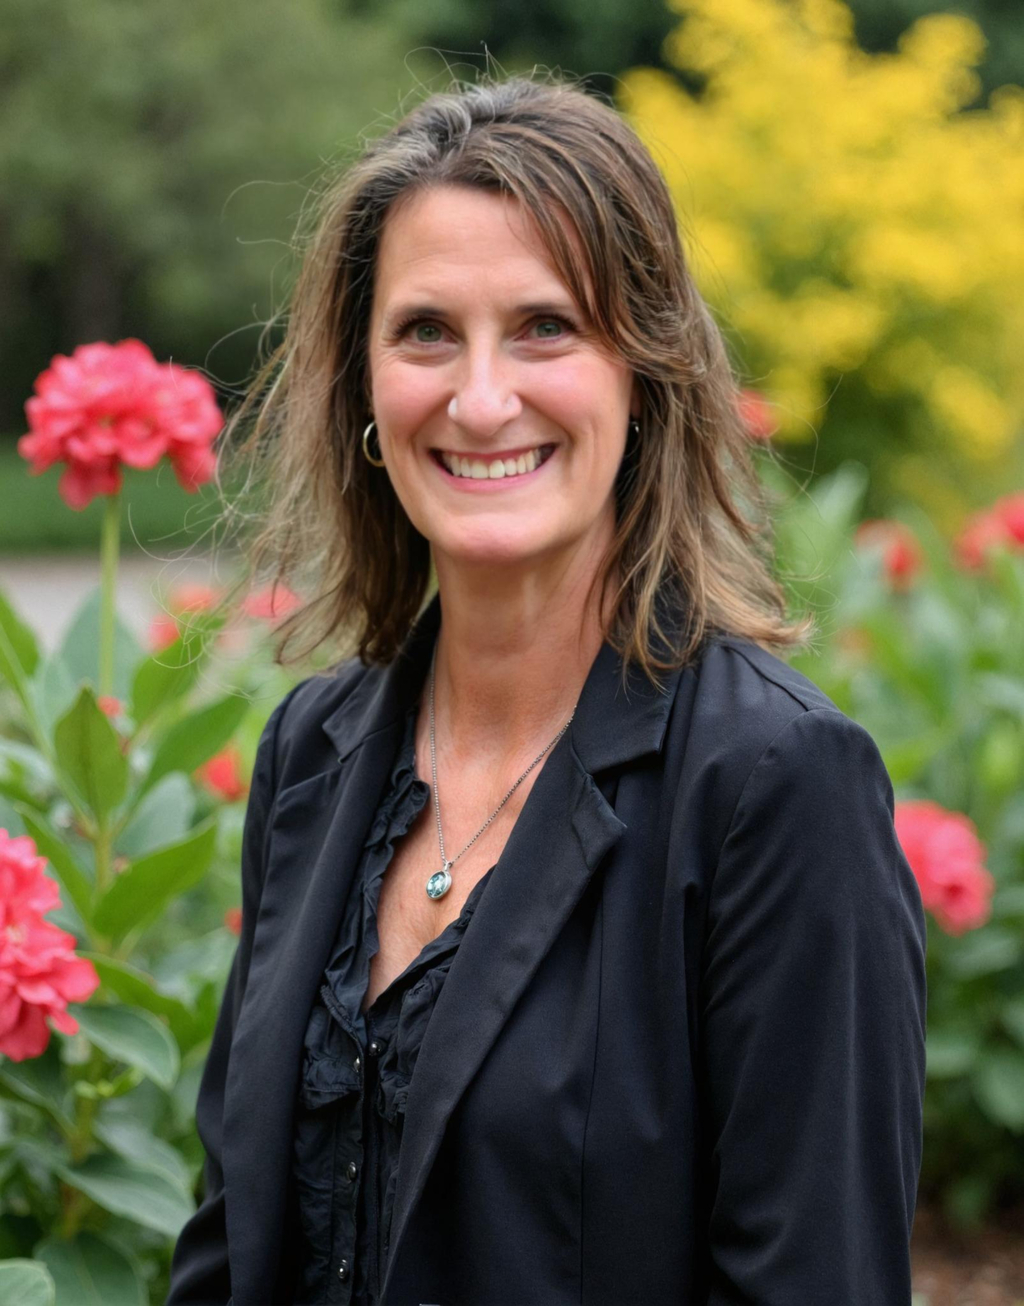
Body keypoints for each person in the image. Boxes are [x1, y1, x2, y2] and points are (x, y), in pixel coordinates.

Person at [166, 72, 927, 1306]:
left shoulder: (776, 789)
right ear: (363, 385)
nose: (478, 398)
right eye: (424, 332)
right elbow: (231, 1245)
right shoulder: (314, 747)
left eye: (544, 327)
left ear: (648, 371)